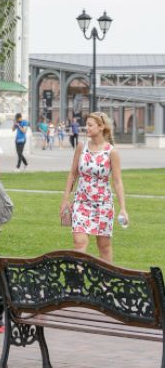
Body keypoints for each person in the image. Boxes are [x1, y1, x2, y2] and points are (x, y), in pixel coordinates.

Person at [60, 112, 127, 263]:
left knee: (104, 246)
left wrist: (123, 208)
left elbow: (117, 181)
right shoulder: (81, 147)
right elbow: (73, 174)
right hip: (81, 203)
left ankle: (105, 284)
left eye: (90, 125)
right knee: (79, 243)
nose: (86, 128)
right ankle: (77, 284)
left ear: (101, 127)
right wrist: (65, 199)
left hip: (103, 205)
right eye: (87, 124)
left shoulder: (112, 152)